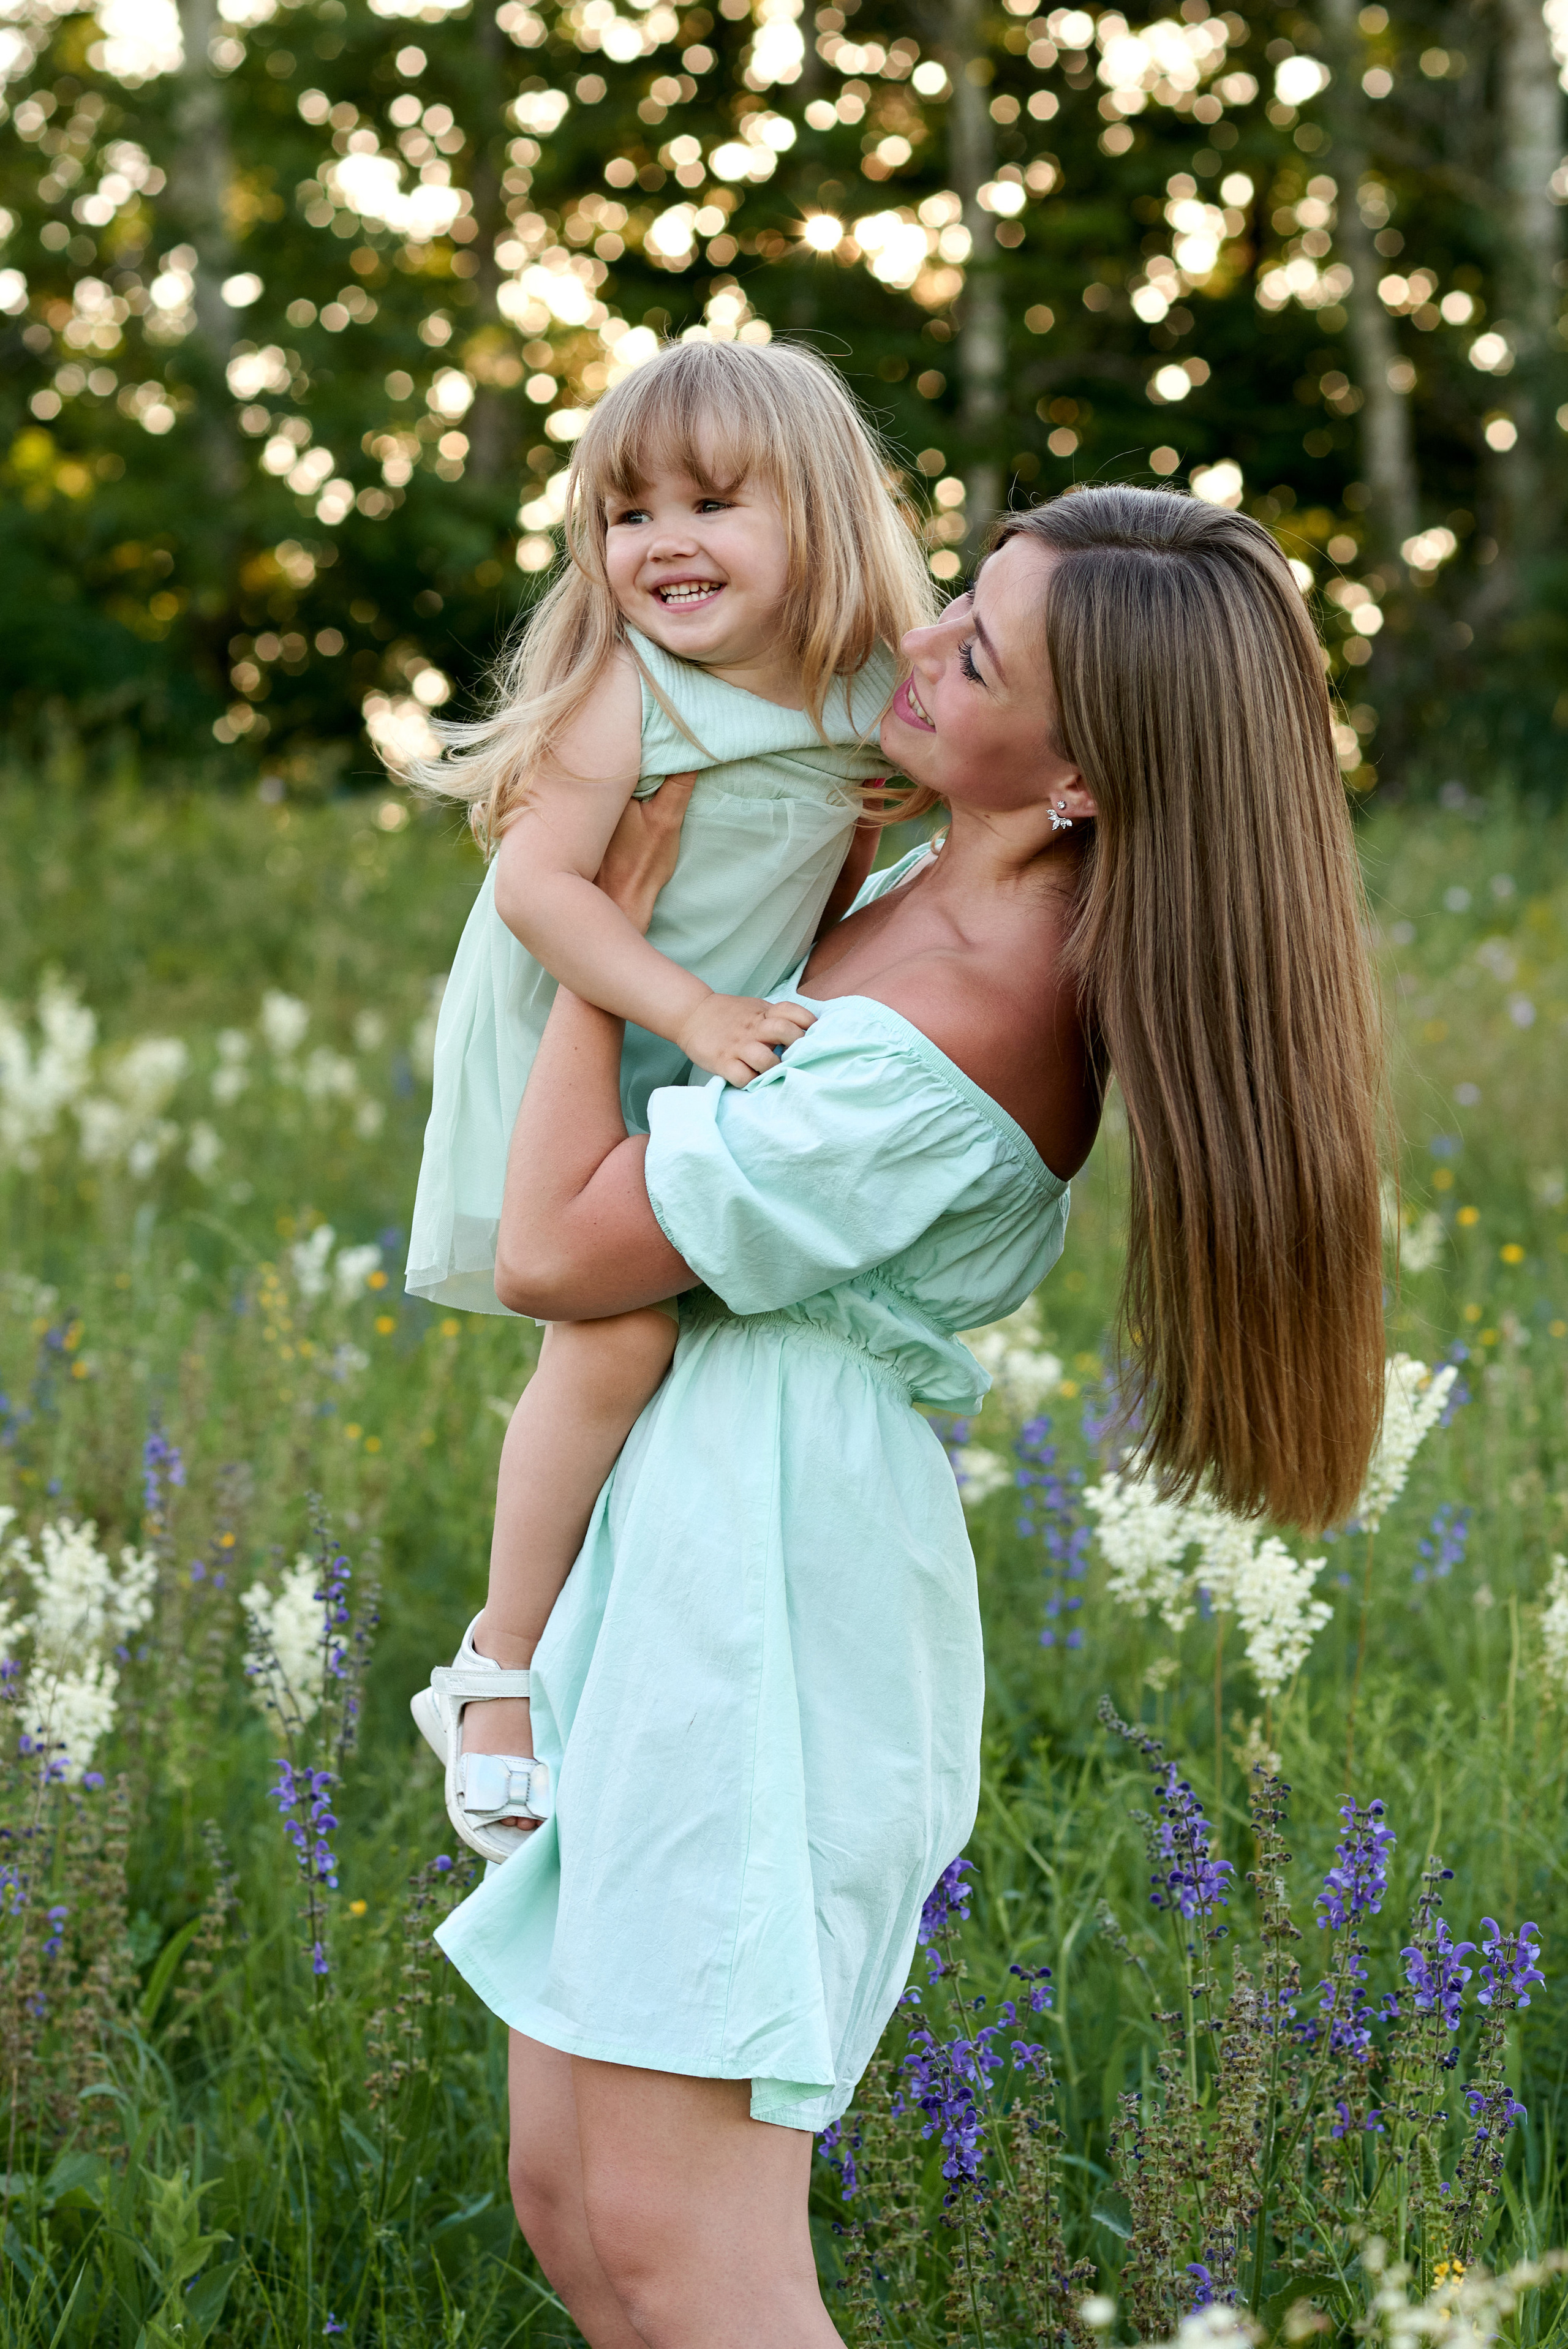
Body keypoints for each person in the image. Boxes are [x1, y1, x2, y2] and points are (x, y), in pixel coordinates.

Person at [423, 484, 1386, 2348]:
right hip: (681, 1525)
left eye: (980, 652)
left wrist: (596, 941)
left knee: (685, 2246)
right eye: (960, 603)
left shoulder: (961, 1014)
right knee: (577, 2207)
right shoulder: (892, 888)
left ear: (1087, 776)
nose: (919, 645)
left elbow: (554, 1248)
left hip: (772, 1580)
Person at [404, 341, 932, 1858]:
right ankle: (494, 1665)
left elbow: (843, 863)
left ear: (821, 517)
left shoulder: (869, 689)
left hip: (723, 1046)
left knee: (700, 1345)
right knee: (616, 1324)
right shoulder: (622, 697)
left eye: (711, 502)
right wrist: (686, 1008)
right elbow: (536, 891)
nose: (662, 543)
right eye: (627, 514)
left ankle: (601, 1639)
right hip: (601, 1035)